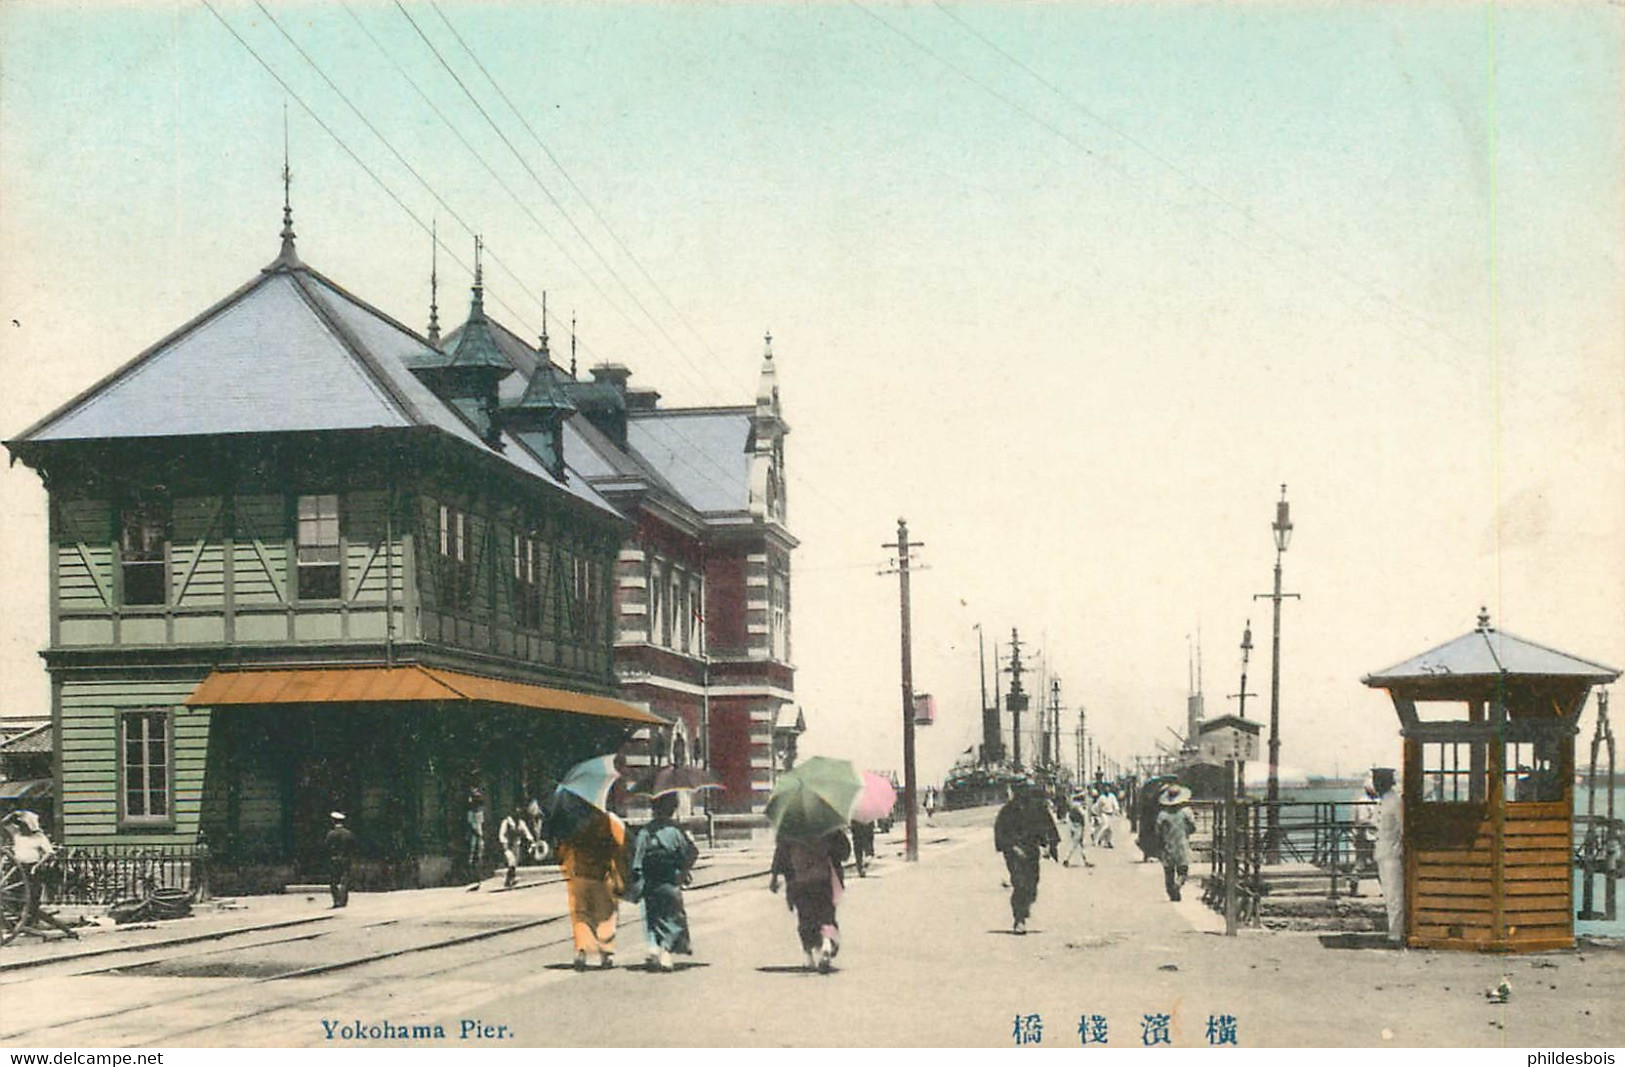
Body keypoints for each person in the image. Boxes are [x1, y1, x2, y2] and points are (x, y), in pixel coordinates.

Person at [629, 793, 700, 972]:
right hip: (671, 879)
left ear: (654, 808)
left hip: (651, 881)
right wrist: (684, 872)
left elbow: (636, 859)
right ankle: (666, 952)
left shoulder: (645, 831)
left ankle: (653, 948)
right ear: (673, 808)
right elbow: (691, 853)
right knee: (674, 917)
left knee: (653, 916)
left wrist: (637, 879)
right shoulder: (676, 831)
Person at [770, 828, 851, 972]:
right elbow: (844, 851)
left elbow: (781, 854)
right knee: (827, 915)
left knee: (805, 919)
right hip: (824, 879)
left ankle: (809, 958)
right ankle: (826, 945)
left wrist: (775, 876)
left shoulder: (788, 827)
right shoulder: (827, 824)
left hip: (799, 881)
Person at [558, 811, 629, 970]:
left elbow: (564, 849)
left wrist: (567, 870)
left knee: (581, 915)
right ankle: (606, 954)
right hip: (602, 877)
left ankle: (581, 951)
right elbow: (622, 846)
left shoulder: (575, 821)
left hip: (580, 876)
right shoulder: (609, 821)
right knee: (606, 915)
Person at [993, 783, 1060, 933]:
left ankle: (1025, 904)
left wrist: (1050, 845)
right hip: (1013, 851)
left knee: (1032, 883)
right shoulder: (1008, 810)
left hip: (1031, 850)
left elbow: (1049, 826)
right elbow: (1000, 831)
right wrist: (1012, 847)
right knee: (1019, 883)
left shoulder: (1037, 808)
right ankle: (1019, 919)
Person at [1372, 767, 1404, 944]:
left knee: (1394, 895)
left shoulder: (1395, 802)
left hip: (1393, 853)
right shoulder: (1384, 801)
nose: (1376, 785)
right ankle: (1393, 931)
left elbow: (1403, 828)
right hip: (1383, 853)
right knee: (1388, 894)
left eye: (1378, 781)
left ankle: (1396, 934)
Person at [1155, 785, 1196, 902]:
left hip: (1167, 845)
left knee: (1168, 872)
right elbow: (1193, 828)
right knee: (1183, 871)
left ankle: (1172, 892)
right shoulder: (1186, 812)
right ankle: (1177, 885)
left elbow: (1157, 831)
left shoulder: (1162, 815)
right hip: (1182, 844)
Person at [1349, 775, 1378, 895]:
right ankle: (1353, 887)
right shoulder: (1363, 802)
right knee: (1364, 863)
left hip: (1370, 836)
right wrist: (1375, 824)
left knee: (1372, 863)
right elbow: (1362, 820)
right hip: (1365, 837)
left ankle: (1353, 886)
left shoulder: (1371, 801)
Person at [498, 804, 535, 889]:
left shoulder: (521, 822)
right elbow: (501, 834)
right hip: (507, 844)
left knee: (515, 862)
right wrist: (504, 843)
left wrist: (531, 840)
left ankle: (512, 878)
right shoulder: (506, 822)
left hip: (516, 844)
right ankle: (508, 880)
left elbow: (526, 832)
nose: (517, 815)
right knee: (511, 861)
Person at [325, 811, 356, 909]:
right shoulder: (348, 833)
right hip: (346, 859)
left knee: (333, 881)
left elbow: (326, 847)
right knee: (345, 880)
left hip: (334, 859)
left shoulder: (331, 834)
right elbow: (353, 847)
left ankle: (336, 900)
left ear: (333, 821)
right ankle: (343, 900)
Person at [1060, 802, 1092, 868]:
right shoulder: (1079, 809)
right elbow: (1083, 819)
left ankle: (1086, 861)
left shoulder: (1072, 811)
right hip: (1078, 828)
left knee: (1080, 845)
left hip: (1076, 827)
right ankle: (1066, 860)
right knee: (1075, 845)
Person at [465, 789, 487, 885]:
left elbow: (482, 824)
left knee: (480, 855)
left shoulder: (480, 812)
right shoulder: (470, 812)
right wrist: (478, 834)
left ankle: (478, 876)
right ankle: (471, 876)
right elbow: (471, 825)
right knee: (472, 854)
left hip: (479, 836)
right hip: (473, 836)